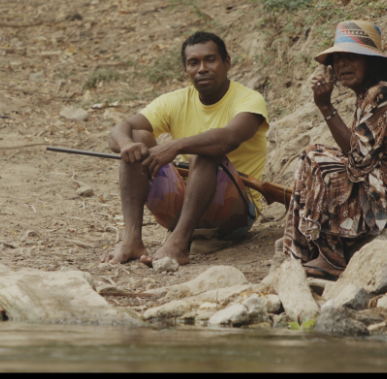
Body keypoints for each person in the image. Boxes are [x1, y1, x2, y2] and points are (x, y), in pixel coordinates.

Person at [283, 20, 387, 280]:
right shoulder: (368, 94)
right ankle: (300, 255)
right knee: (312, 157)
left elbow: (358, 159)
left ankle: (332, 257)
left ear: (371, 62)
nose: (342, 65)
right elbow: (358, 155)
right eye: (338, 59)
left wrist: (326, 108)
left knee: (316, 158)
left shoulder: (383, 93)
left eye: (352, 57)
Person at [101, 31, 269, 267]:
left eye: (210, 60)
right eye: (193, 63)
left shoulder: (249, 100)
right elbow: (120, 129)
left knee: (205, 149)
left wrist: (176, 145)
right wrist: (127, 145)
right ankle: (131, 240)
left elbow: (228, 139)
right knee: (136, 138)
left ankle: (179, 244)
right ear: (186, 70)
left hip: (234, 216)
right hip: (185, 209)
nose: (202, 68)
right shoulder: (174, 101)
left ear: (227, 62)